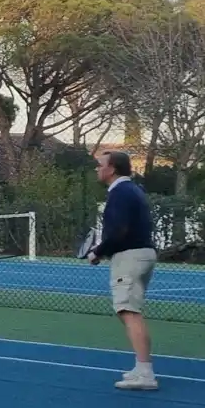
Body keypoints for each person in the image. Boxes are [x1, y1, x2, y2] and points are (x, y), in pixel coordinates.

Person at [89, 150, 157, 391]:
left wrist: (98, 251)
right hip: (142, 253)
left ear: (112, 169)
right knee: (128, 310)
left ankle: (146, 372)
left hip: (131, 256)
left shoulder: (120, 192)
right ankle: (141, 367)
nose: (97, 168)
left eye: (100, 165)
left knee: (129, 311)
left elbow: (119, 230)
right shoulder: (133, 190)